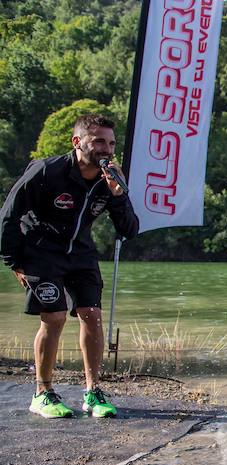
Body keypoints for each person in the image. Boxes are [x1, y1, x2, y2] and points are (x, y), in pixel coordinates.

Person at [0, 114, 139, 418]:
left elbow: (129, 229)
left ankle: (92, 391)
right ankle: (42, 392)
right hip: (40, 250)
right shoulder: (47, 171)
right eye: (99, 141)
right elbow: (9, 214)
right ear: (78, 142)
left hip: (80, 253)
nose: (107, 148)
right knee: (55, 316)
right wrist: (14, 262)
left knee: (92, 315)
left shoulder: (110, 179)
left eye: (112, 143)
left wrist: (118, 195)